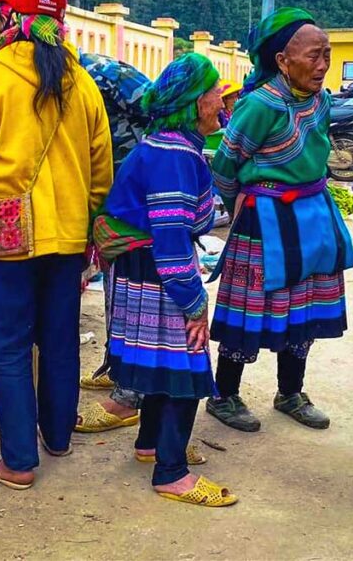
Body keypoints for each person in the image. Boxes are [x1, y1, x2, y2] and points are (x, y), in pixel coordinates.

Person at [0, 0, 113, 489]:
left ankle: (17, 462)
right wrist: (88, 229)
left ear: (5, 14)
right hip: (66, 236)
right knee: (60, 340)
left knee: (10, 347)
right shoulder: (82, 82)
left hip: (2, 238)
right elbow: (101, 166)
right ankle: (57, 437)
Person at [206, 8, 353, 432]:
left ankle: (290, 391)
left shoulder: (322, 101)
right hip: (263, 221)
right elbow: (225, 166)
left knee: (303, 307)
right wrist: (245, 204)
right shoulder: (258, 105)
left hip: (312, 217)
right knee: (247, 309)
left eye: (327, 55)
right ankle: (224, 395)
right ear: (282, 60)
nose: (323, 65)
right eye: (313, 56)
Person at [97, 52, 236, 506]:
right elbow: (171, 236)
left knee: (158, 363)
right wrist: (194, 300)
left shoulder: (165, 145)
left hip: (139, 267)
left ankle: (151, 445)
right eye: (216, 91)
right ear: (196, 101)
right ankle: (171, 474)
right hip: (157, 270)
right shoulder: (175, 155)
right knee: (186, 365)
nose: (222, 99)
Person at [75, 52, 150, 432]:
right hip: (109, 202)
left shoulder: (103, 73)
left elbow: (155, 106)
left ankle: (131, 395)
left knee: (131, 294)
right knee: (114, 291)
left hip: (134, 204)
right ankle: (118, 367)